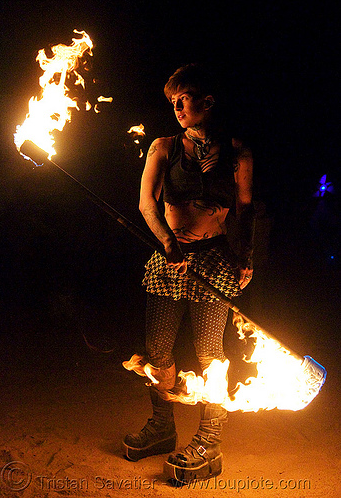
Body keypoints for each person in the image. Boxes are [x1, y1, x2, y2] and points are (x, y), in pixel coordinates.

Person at [123, 63, 255, 483]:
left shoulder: (237, 150)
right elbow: (147, 203)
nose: (178, 107)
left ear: (207, 102)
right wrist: (166, 241)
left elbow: (245, 207)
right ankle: (163, 426)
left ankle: (209, 441)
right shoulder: (164, 147)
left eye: (185, 99)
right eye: (173, 102)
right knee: (157, 349)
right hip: (169, 259)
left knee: (210, 354)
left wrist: (245, 255)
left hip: (214, 261)